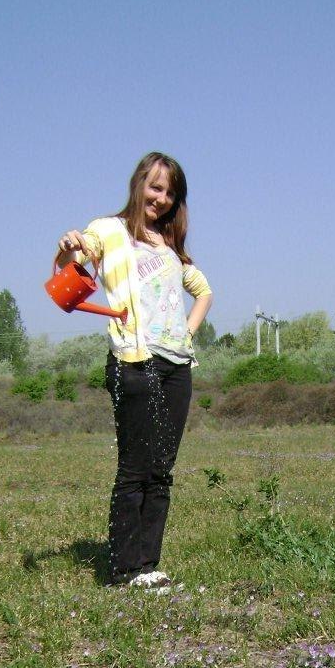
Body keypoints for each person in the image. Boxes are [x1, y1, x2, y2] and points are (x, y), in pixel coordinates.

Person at [56, 152, 213, 591]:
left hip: (176, 365)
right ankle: (124, 571)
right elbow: (80, 253)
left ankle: (149, 565)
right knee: (135, 468)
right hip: (134, 361)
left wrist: (187, 331)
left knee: (162, 469)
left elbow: (203, 292)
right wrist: (70, 247)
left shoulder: (170, 246)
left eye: (169, 192)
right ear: (139, 182)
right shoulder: (110, 230)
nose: (160, 198)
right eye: (155, 187)